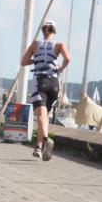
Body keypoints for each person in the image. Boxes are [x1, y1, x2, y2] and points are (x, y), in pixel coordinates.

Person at [19, 20, 72, 161]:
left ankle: (47, 140)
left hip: (39, 82)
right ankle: (38, 146)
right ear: (54, 31)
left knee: (41, 117)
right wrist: (60, 68)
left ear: (43, 30)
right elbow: (68, 58)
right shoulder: (59, 45)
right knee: (45, 117)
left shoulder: (35, 44)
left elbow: (23, 62)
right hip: (54, 84)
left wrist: (35, 60)